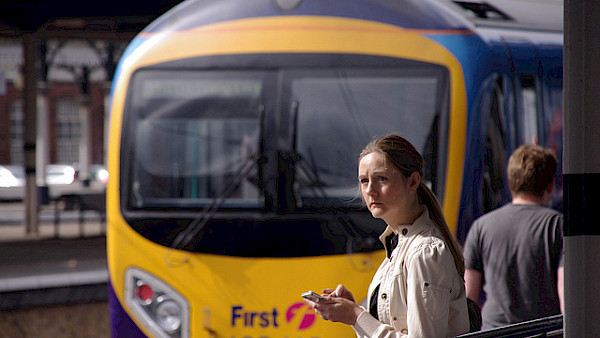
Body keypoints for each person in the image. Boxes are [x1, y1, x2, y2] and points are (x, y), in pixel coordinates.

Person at [303, 134, 470, 337]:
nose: (370, 190)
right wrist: (355, 312)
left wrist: (356, 315)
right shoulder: (397, 245)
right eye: (364, 181)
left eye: (381, 178)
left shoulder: (424, 252)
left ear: (413, 182)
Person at [463, 144, 564, 330]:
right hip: (543, 332)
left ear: (511, 182)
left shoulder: (481, 227)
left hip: (493, 332)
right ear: (550, 186)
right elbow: (565, 290)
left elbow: (469, 297)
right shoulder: (557, 226)